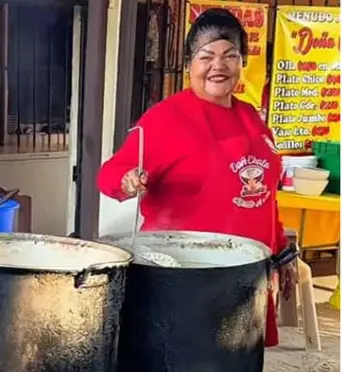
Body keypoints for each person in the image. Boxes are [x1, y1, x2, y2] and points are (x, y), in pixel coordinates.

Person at [97, 7, 297, 347]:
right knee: (186, 366)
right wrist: (127, 180)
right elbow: (110, 173)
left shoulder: (252, 118)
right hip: (187, 277)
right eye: (207, 56)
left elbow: (264, 199)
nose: (218, 66)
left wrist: (283, 254)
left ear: (241, 62)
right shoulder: (166, 118)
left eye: (229, 56)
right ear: (190, 63)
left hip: (247, 275)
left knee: (238, 369)